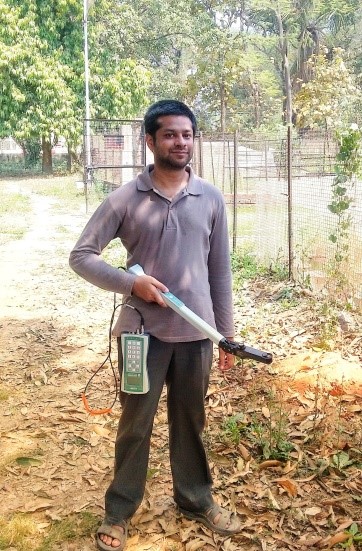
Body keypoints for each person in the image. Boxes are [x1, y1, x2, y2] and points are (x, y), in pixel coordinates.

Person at [69, 99, 242, 551]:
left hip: (196, 333)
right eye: (169, 134)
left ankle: (195, 498)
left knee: (191, 420)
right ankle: (120, 509)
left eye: (186, 134)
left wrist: (225, 334)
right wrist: (132, 283)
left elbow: (219, 270)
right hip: (141, 335)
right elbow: (82, 256)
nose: (180, 142)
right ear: (150, 140)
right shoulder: (125, 199)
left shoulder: (211, 198)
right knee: (135, 424)